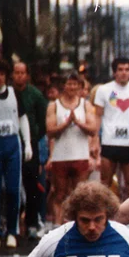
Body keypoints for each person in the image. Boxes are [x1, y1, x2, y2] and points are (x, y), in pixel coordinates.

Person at [45, 72, 97, 229]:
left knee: (79, 195)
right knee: (59, 194)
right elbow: (50, 131)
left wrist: (78, 123)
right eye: (69, 84)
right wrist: (66, 124)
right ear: (64, 86)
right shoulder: (54, 105)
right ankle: (57, 226)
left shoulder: (85, 105)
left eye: (75, 84)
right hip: (60, 156)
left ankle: (78, 226)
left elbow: (93, 129)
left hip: (80, 155)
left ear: (80, 87)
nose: (72, 87)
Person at [93, 57, 129, 200]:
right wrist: (94, 140)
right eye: (120, 70)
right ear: (114, 72)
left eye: (127, 70)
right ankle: (104, 211)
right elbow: (98, 116)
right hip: (109, 141)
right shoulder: (103, 90)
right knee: (105, 183)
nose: (124, 73)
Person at [0, 58, 32, 249]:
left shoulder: (14, 94)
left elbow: (22, 118)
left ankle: (12, 231)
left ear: (6, 76)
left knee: (13, 189)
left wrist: (28, 143)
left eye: (1, 74)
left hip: (12, 145)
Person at [12, 62, 48, 240]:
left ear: (27, 75)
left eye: (22, 73)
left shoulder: (35, 95)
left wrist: (33, 138)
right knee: (10, 186)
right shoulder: (8, 93)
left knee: (32, 184)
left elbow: (43, 121)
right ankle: (11, 224)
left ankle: (32, 223)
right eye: (16, 72)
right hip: (10, 142)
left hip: (30, 144)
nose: (19, 76)